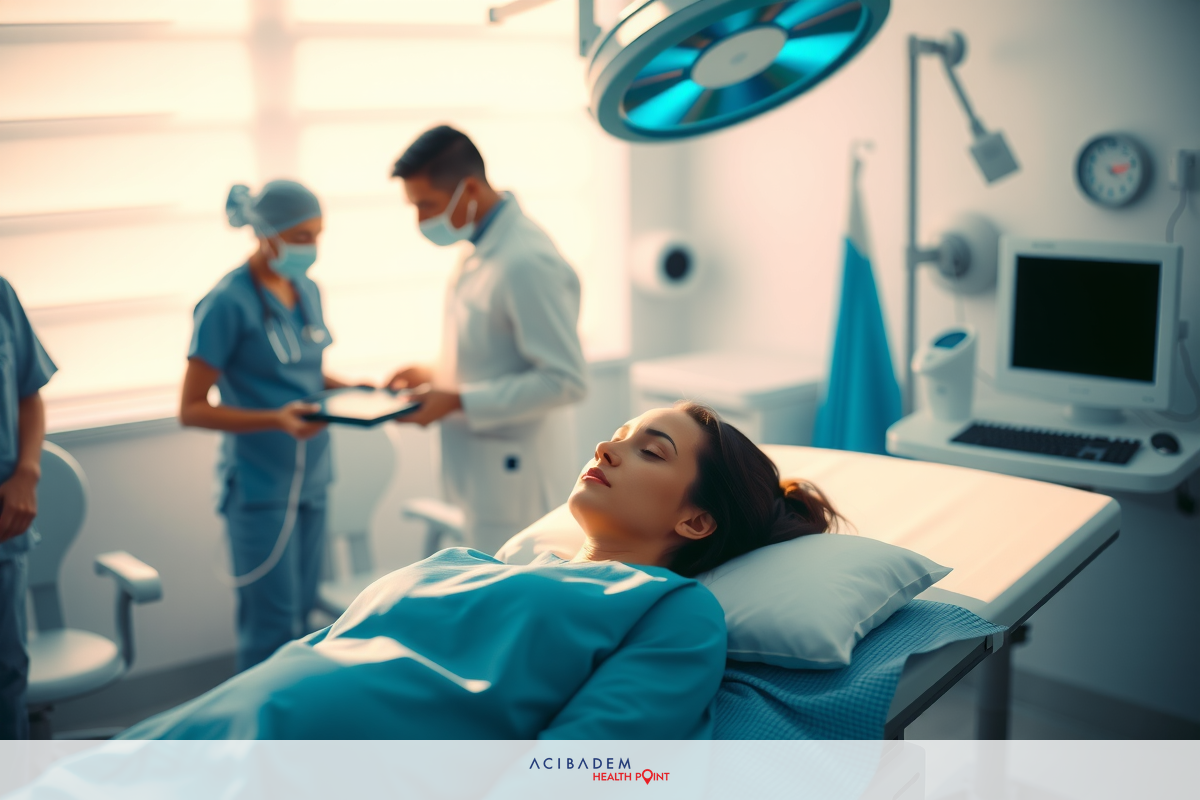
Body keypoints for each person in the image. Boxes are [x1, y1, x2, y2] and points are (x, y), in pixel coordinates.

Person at [119, 402, 838, 739]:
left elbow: (587, 770)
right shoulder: (469, 564)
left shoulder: (668, 608)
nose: (607, 447)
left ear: (696, 521)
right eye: (617, 434)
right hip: (204, 732)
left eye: (650, 451)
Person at [386, 126, 588, 555]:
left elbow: (564, 381)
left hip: (515, 480)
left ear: (470, 189)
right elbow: (496, 347)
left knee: (510, 604)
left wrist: (457, 400)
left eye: (426, 205)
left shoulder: (526, 261)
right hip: (484, 472)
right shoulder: (479, 244)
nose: (421, 220)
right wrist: (433, 373)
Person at [180, 180, 354, 672]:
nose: (311, 247)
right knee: (271, 632)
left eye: (317, 234)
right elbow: (192, 408)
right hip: (260, 487)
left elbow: (302, 366)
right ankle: (259, 743)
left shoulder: (308, 291)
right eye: (301, 235)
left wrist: (353, 388)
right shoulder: (225, 303)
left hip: (313, 476)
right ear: (266, 233)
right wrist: (274, 419)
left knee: (306, 621)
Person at [0, 276, 56, 740]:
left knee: (7, 676)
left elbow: (27, 391)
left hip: (4, 522)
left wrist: (27, 473)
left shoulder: (0, 294)